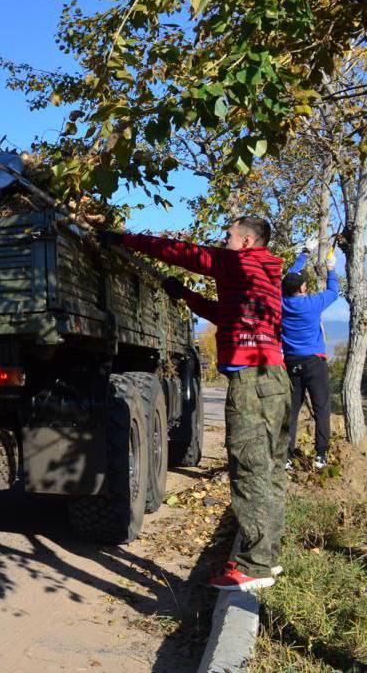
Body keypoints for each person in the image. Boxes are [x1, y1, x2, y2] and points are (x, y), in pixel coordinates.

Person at [100, 216, 290, 592]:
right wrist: (185, 295)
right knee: (268, 468)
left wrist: (122, 238)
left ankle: (255, 567)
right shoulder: (263, 274)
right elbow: (225, 316)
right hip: (275, 377)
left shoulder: (237, 261)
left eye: (229, 236)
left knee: (249, 468)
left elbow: (181, 253)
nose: (224, 241)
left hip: (252, 379)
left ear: (247, 240)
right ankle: (267, 553)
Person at [281, 238, 339, 470]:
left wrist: (304, 254)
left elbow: (285, 282)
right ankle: (321, 455)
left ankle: (285, 456)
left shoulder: (280, 302)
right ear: (303, 289)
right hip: (315, 362)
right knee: (322, 407)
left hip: (291, 363)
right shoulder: (313, 303)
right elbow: (334, 291)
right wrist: (332, 267)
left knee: (292, 411)